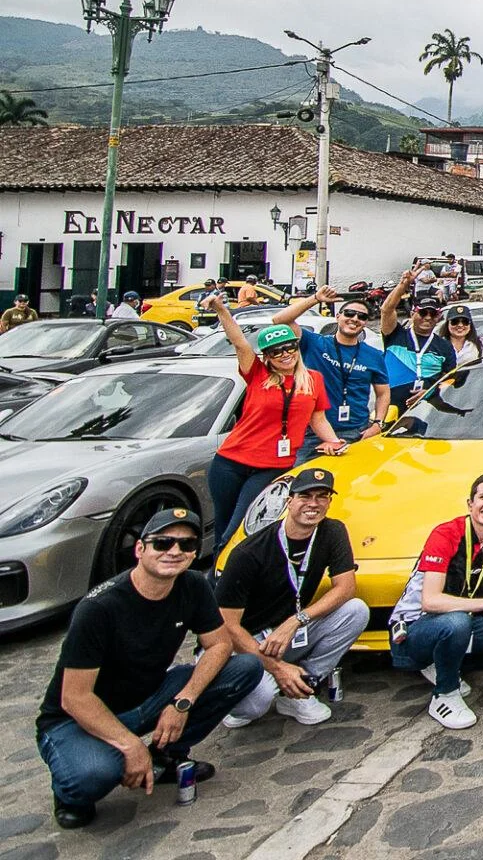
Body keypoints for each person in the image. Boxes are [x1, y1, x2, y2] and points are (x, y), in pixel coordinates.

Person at [35, 509, 261, 829]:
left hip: (148, 696)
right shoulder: (98, 609)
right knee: (94, 775)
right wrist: (130, 746)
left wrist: (183, 702)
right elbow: (75, 698)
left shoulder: (193, 585)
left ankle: (166, 756)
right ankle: (70, 793)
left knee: (245, 668)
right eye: (163, 543)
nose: (174, 551)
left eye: (186, 544)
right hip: (77, 718)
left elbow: (220, 645)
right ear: (140, 549)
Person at [388, 472, 483, 729]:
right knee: (457, 622)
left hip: (465, 621)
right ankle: (444, 694)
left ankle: (444, 663)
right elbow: (431, 601)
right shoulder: (446, 534)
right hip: (415, 629)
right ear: (470, 503)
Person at [215, 467, 370, 729]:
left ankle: (299, 688)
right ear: (289, 501)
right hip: (245, 639)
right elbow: (227, 626)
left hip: (287, 629)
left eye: (322, 496)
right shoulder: (249, 553)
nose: (313, 504)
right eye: (305, 496)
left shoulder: (332, 531)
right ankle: (243, 689)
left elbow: (345, 588)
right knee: (255, 705)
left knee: (356, 611)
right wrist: (277, 669)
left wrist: (296, 621)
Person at [205, 300, 346, 546]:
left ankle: (232, 577)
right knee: (223, 529)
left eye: (289, 347)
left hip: (273, 465)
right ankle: (218, 581)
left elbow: (318, 418)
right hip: (230, 462)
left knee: (240, 531)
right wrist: (221, 309)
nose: (285, 355)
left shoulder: (313, 379)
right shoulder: (258, 374)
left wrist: (334, 442)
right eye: (276, 351)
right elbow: (239, 341)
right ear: (267, 357)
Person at [272, 287, 391, 459]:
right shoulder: (315, 343)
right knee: (300, 481)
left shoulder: (374, 356)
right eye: (349, 313)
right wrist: (315, 299)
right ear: (338, 317)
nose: (355, 319)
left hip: (356, 431)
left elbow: (383, 393)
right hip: (311, 432)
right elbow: (279, 321)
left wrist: (378, 424)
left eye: (362, 316)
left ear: (366, 322)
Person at [380, 267, 457, 399]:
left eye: (433, 314)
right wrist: (403, 285)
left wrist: (431, 391)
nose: (428, 317)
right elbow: (387, 310)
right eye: (422, 313)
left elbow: (450, 380)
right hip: (391, 405)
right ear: (412, 314)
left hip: (425, 408)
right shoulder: (396, 335)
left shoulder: (445, 346)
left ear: (438, 317)